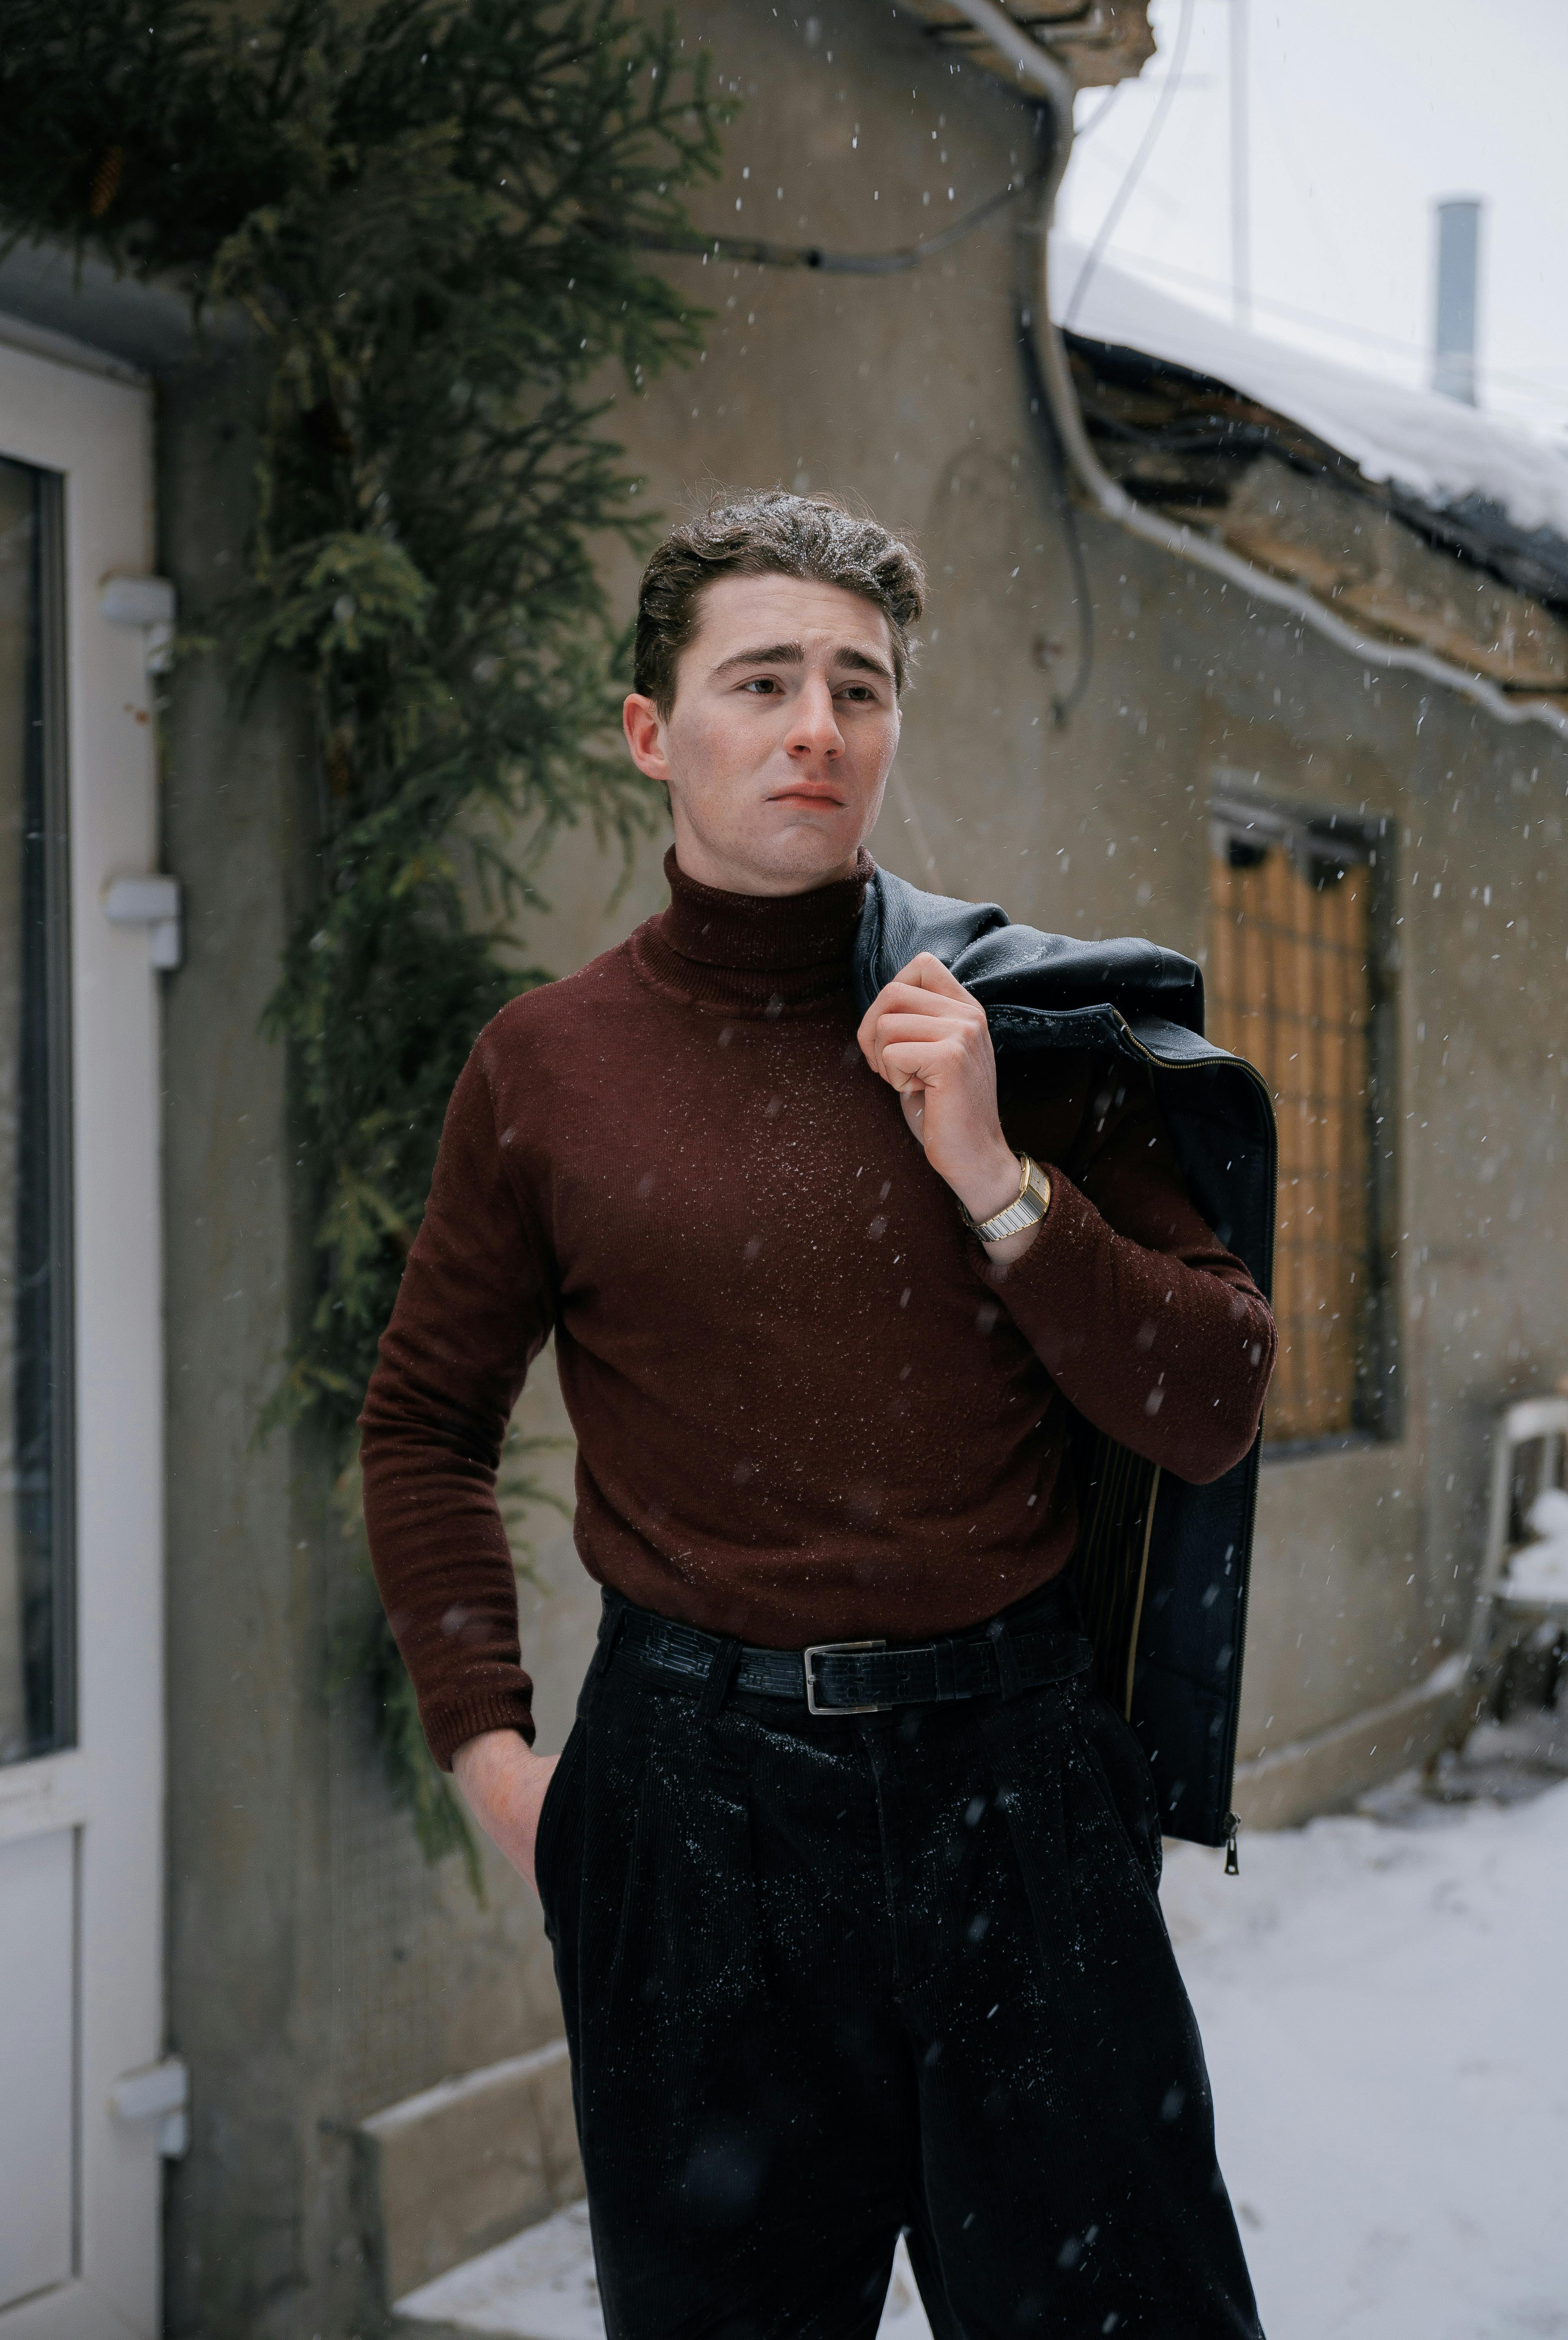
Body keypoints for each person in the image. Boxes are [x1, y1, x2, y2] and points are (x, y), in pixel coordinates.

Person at [360, 491, 1276, 2340]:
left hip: (1016, 1794)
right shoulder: (544, 1068)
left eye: (858, 687)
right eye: (762, 681)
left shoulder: (1028, 1032)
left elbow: (1209, 1403)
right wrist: (499, 1763)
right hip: (693, 1822)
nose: (816, 728)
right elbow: (424, 1427)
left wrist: (996, 1176)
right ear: (652, 732)